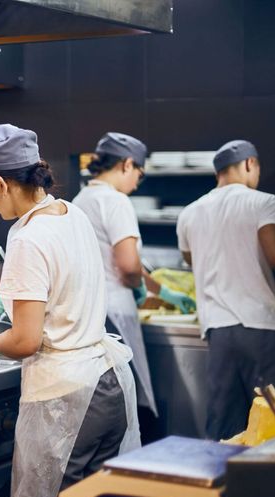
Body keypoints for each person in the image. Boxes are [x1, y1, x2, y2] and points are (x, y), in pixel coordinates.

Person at [0, 124, 140, 497]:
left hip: (66, 402)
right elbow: (63, 285)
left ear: (1, 183)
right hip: (108, 383)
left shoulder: (26, 238)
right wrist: (3, 301)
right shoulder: (69, 213)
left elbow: (24, 341)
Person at [72, 132, 196, 425]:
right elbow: (128, 266)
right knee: (128, 397)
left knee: (101, 399)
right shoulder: (115, 201)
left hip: (88, 311)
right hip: (116, 312)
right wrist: (139, 288)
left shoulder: (80, 199)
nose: (137, 182)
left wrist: (161, 290)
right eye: (139, 174)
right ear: (127, 165)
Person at [176, 139, 275, 440]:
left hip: (217, 330)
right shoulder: (263, 203)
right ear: (250, 164)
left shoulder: (190, 213)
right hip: (260, 326)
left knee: (224, 425)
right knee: (268, 420)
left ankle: (221, 485)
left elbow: (191, 260)